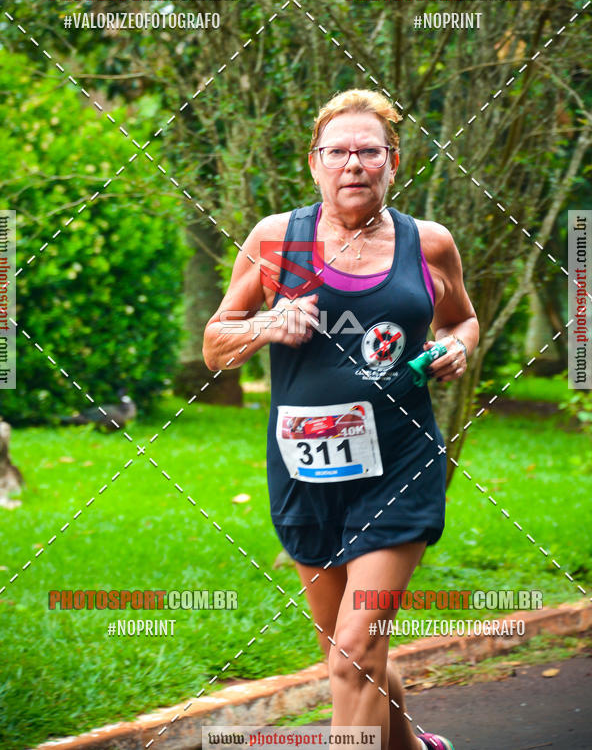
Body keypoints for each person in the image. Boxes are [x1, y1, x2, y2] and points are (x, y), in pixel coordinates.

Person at [203, 89, 479, 750]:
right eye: (337, 152)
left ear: (393, 162)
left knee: (354, 652)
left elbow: (462, 319)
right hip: (307, 471)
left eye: (369, 152)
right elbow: (215, 345)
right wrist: (266, 325)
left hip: (401, 467)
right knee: (352, 651)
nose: (353, 164)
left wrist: (458, 348)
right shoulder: (276, 240)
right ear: (314, 163)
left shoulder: (428, 244)